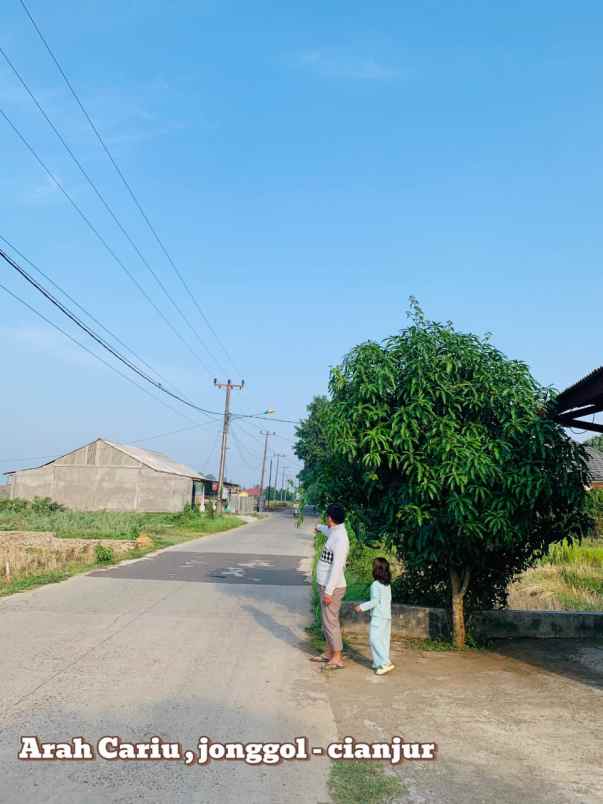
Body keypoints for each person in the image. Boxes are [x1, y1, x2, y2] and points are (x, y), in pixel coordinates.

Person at [311, 503, 349, 670]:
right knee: (326, 622)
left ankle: (337, 657)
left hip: (332, 588)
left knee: (330, 622)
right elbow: (328, 531)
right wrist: (319, 527)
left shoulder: (341, 539)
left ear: (331, 518)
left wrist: (328, 591)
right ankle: (328, 652)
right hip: (325, 584)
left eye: (327, 517)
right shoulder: (335, 531)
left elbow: (337, 567)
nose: (326, 519)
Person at [354, 558, 395, 675]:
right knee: (383, 640)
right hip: (387, 616)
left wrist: (361, 607)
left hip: (378, 616)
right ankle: (379, 663)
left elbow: (375, 602)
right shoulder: (387, 585)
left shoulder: (375, 585)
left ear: (376, 570)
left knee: (374, 639)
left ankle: (385, 663)